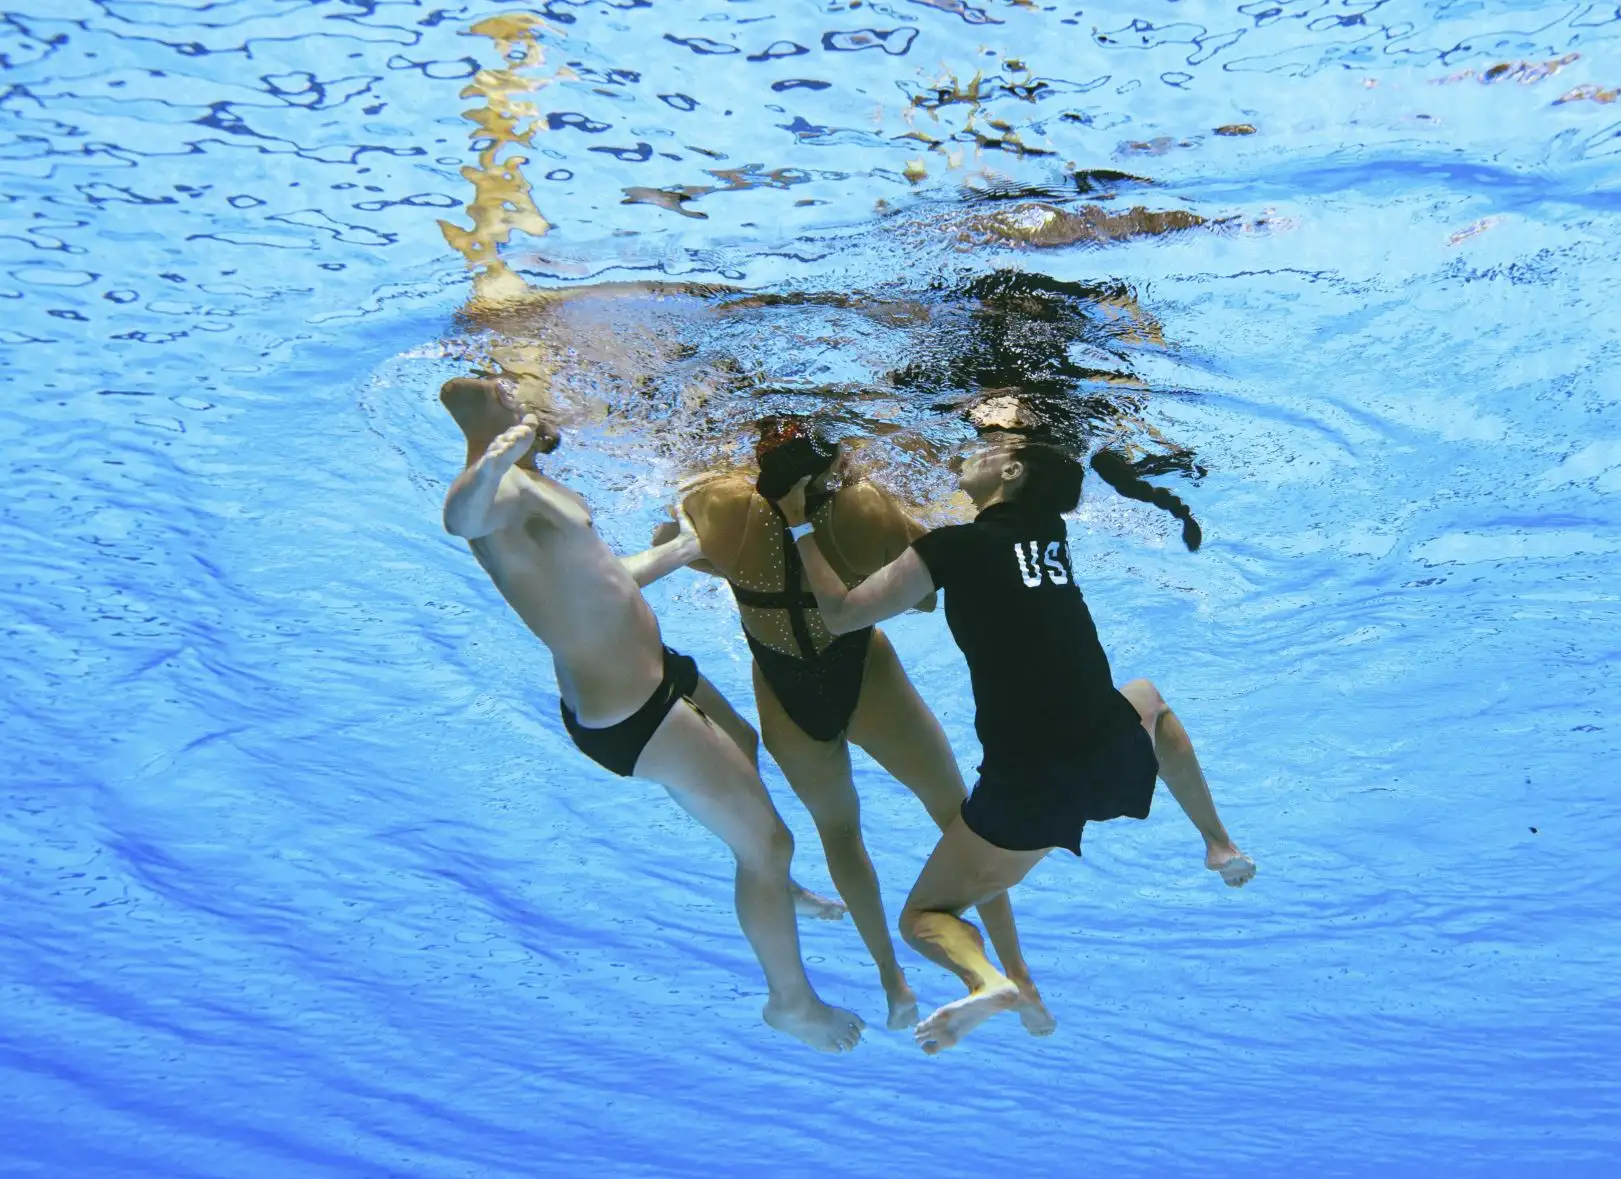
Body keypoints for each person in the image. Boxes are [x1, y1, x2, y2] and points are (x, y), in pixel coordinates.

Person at [774, 430, 1256, 1054]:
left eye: (986, 446)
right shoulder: (1052, 542)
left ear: (1013, 471)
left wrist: (797, 526)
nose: (971, 450)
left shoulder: (956, 547)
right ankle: (1218, 843)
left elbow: (840, 614)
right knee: (1148, 700)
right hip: (1105, 753)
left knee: (922, 920)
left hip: (1027, 790)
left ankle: (988, 982)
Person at [436, 376, 864, 1053]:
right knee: (769, 844)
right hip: (634, 713)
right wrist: (490, 458)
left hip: (656, 673)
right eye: (505, 392)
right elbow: (459, 519)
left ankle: (776, 885)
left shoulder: (529, 480)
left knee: (744, 742)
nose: (519, 395)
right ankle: (791, 1002)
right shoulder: (498, 490)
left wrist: (682, 549)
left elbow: (602, 577)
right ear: (488, 410)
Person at [663, 417, 1055, 1034]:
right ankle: (1011, 970)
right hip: (864, 670)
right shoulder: (864, 507)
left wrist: (741, 569)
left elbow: (676, 546)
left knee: (839, 834)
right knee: (958, 812)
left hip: (785, 688)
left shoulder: (721, 503)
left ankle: (892, 982)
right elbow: (926, 596)